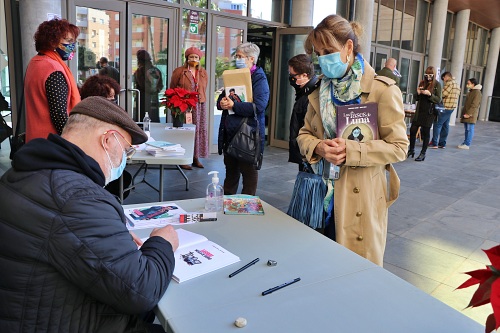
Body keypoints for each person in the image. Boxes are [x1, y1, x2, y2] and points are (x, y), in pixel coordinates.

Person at [0, 96, 179, 332]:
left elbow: (69, 238)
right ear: (107, 140)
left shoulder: (26, 173)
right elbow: (141, 291)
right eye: (126, 150)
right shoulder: (76, 197)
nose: (126, 159)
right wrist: (162, 243)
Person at [296, 14, 408, 266]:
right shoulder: (320, 91)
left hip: (361, 198)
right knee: (320, 266)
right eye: (318, 52)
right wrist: (319, 146)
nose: (323, 58)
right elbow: (304, 134)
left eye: (329, 50)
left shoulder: (382, 90)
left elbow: (400, 147)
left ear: (348, 47)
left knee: (355, 271)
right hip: (320, 195)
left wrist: (352, 150)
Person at [217, 42, 270, 195]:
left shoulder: (259, 78)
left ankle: (247, 208)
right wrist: (222, 103)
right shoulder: (234, 75)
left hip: (249, 134)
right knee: (230, 175)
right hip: (230, 133)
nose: (237, 60)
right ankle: (227, 205)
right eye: (237, 56)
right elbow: (222, 98)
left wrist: (233, 105)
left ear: (251, 59)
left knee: (249, 174)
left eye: (240, 57)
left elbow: (259, 106)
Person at [24, 18, 81, 142]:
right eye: (68, 40)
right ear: (52, 41)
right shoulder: (53, 69)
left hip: (35, 141)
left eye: (74, 41)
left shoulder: (35, 62)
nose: (72, 46)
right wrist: (73, 141)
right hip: (52, 145)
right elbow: (59, 115)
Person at [169, 47, 209, 169]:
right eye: (191, 57)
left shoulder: (203, 72)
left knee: (197, 131)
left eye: (196, 57)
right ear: (187, 58)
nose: (193, 59)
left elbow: (203, 88)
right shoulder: (179, 71)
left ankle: (195, 157)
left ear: (199, 59)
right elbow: (172, 88)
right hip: (183, 105)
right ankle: (183, 158)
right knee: (184, 132)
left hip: (199, 105)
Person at [287, 54, 320, 170]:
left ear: (304, 75)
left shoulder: (311, 96)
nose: (290, 78)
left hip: (308, 153)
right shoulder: (303, 92)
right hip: (304, 150)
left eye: (293, 76)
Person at [407, 66, 442, 161]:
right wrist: (418, 93)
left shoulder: (437, 85)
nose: (428, 77)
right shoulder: (422, 82)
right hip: (420, 110)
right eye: (426, 75)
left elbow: (438, 99)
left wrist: (430, 94)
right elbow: (416, 98)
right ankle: (411, 150)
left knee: (426, 132)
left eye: (430, 75)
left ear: (434, 75)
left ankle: (423, 153)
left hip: (429, 112)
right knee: (413, 130)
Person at [429, 71, 460, 149]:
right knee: (445, 125)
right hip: (451, 107)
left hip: (445, 107)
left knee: (437, 124)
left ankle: (434, 143)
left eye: (444, 79)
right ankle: (442, 143)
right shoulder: (456, 83)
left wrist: (435, 94)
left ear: (447, 76)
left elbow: (443, 94)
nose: (444, 81)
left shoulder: (450, 83)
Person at [134, 49, 164, 123]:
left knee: (142, 119)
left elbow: (141, 84)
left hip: (143, 98)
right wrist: (155, 90)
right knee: (154, 117)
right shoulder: (156, 70)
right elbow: (161, 85)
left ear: (139, 60)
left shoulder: (140, 71)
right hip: (154, 98)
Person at [458, 78, 482, 149]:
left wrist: (469, 114)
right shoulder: (471, 91)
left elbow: (475, 105)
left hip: (471, 115)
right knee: (467, 129)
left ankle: (467, 144)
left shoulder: (477, 92)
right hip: (467, 114)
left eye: (468, 83)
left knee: (469, 129)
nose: (467, 85)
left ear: (473, 84)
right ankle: (465, 142)